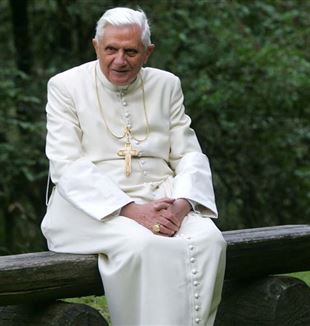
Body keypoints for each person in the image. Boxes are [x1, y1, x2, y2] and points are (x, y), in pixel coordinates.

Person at [41, 7, 226, 326]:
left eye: (130, 51)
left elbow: (188, 153)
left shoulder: (167, 84)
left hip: (163, 198)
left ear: (148, 51)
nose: (119, 60)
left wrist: (182, 206)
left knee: (210, 242)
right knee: (144, 244)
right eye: (111, 49)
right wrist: (130, 210)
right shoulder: (65, 86)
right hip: (90, 206)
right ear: (96, 45)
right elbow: (66, 163)